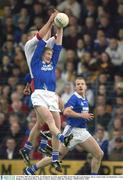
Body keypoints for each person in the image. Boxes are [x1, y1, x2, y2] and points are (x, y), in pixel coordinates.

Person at [21, 11, 73, 172]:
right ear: (42, 52)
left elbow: (58, 45)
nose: (50, 55)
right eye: (47, 53)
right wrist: (50, 20)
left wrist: (61, 27)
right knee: (50, 121)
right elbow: (42, 41)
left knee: (54, 123)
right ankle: (63, 138)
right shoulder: (35, 55)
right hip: (39, 94)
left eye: (51, 54)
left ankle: (54, 156)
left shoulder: (52, 61)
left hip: (51, 95)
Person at [24, 77, 104, 175]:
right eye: (78, 84)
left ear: (86, 86)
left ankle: (93, 177)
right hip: (72, 131)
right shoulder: (74, 98)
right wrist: (81, 115)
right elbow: (66, 111)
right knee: (57, 156)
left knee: (99, 154)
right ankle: (32, 169)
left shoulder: (84, 98)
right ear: (74, 87)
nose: (80, 86)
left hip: (82, 131)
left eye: (82, 84)